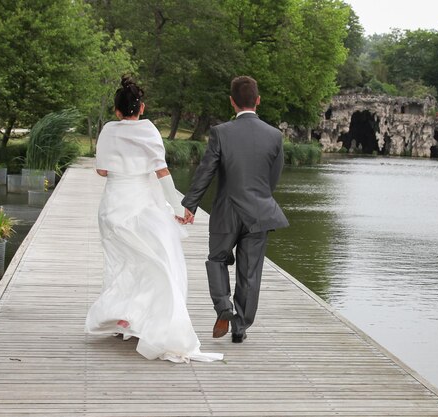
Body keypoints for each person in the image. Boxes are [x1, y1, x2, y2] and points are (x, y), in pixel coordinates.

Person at [85, 76, 222, 363]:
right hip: (143, 206)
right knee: (157, 261)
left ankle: (124, 319)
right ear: (142, 107)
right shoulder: (149, 131)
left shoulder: (108, 130)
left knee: (120, 263)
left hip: (113, 208)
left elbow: (101, 171)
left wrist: (123, 167)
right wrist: (179, 207)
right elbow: (162, 172)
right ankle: (141, 320)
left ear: (117, 110)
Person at [181, 75, 289, 343]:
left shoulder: (221, 132)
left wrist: (190, 204)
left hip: (226, 211)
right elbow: (273, 177)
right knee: (250, 272)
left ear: (232, 102)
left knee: (216, 259)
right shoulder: (275, 135)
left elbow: (206, 171)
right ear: (258, 101)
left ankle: (224, 308)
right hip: (260, 211)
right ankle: (240, 327)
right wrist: (261, 199)